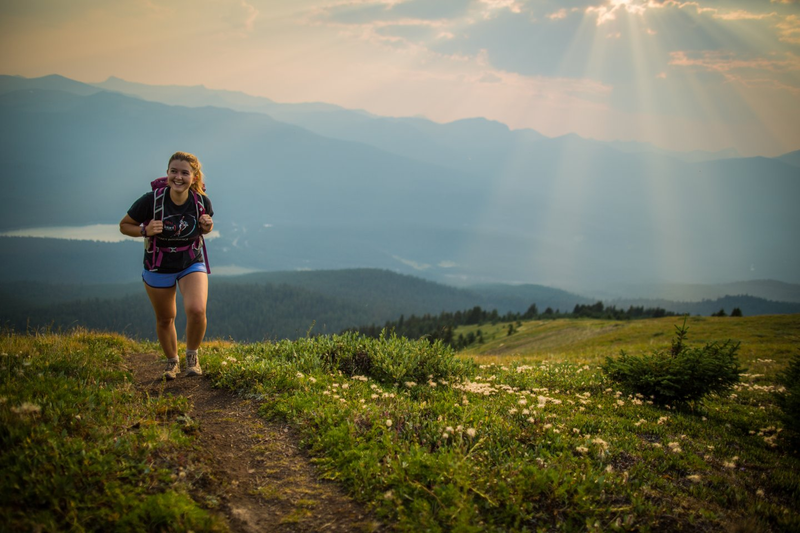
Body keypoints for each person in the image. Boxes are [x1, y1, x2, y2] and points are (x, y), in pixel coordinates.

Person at [119, 151, 214, 380]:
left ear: (194, 176)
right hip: (158, 264)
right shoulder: (151, 200)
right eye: (174, 171)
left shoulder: (201, 201)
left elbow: (205, 228)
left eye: (184, 173)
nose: (178, 177)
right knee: (165, 317)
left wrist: (207, 225)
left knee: (197, 310)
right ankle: (172, 362)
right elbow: (124, 225)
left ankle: (192, 356)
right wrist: (144, 230)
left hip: (190, 260)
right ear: (167, 173)